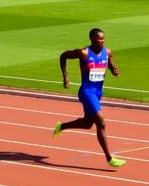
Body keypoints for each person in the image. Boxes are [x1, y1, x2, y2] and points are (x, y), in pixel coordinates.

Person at [52, 28, 125, 168]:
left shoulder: (107, 52)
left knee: (87, 123)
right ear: (92, 39)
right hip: (87, 92)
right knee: (101, 122)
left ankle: (61, 126)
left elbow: (110, 62)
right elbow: (63, 55)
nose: (102, 42)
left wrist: (114, 69)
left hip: (98, 92)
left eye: (103, 39)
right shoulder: (84, 53)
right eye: (99, 39)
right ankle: (110, 158)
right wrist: (65, 76)